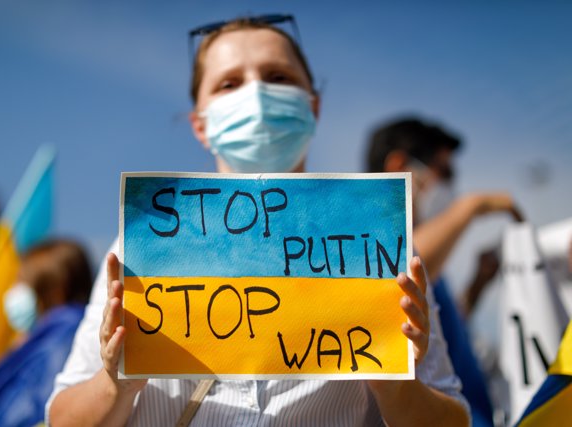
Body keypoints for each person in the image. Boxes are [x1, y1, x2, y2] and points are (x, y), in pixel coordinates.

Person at [47, 16, 470, 426]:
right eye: (229, 83)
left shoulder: (378, 242)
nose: (258, 94)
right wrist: (114, 384)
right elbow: (61, 418)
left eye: (278, 76)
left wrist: (397, 389)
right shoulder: (140, 243)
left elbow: (452, 419)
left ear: (313, 106)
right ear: (200, 124)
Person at [366, 116, 523, 426]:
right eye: (445, 171)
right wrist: (471, 207)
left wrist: (477, 286)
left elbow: (438, 344)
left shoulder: (431, 266)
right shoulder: (385, 253)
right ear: (400, 167)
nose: (451, 184)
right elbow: (406, 265)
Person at [0, 239, 93, 427]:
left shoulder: (63, 341)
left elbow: (18, 414)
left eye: (21, 282)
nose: (13, 291)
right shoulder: (54, 338)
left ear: (56, 291)